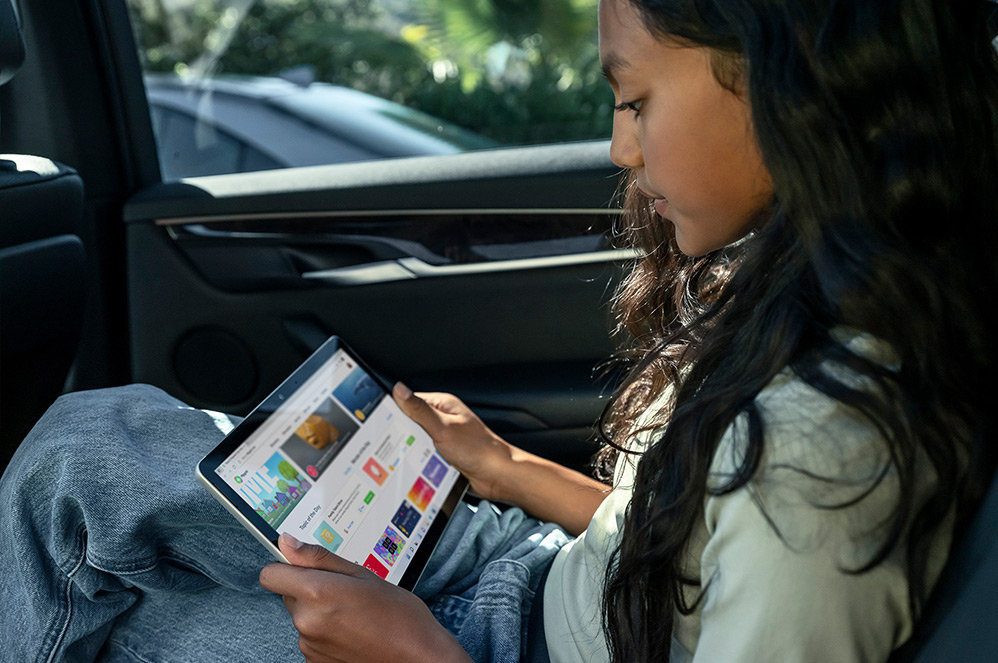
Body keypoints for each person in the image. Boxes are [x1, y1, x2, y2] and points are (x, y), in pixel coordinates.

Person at [2, 0, 997, 661]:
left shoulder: (819, 462)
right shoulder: (789, 309)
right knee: (89, 445)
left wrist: (419, 654)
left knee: (119, 614)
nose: (619, 143)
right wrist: (504, 466)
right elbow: (678, 540)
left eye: (635, 98)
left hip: (498, 642)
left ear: (794, 90)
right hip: (530, 577)